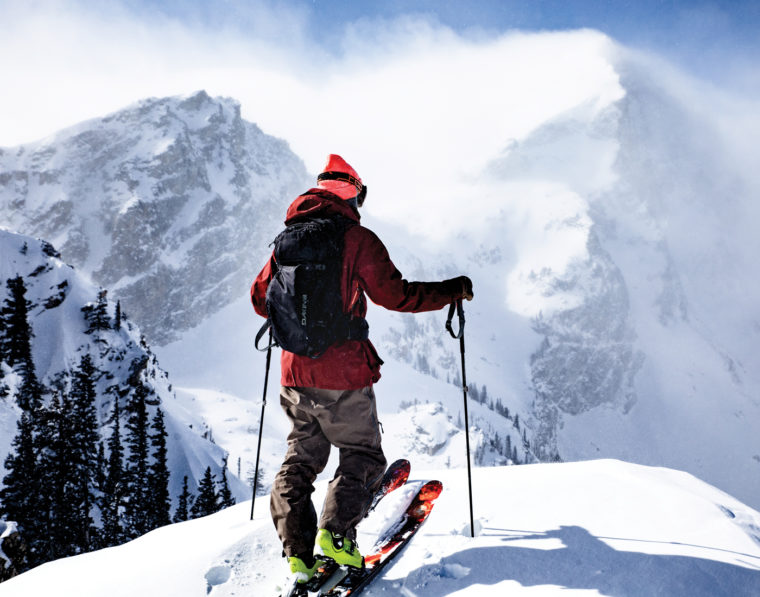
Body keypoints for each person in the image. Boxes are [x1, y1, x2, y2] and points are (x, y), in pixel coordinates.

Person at [250, 154, 473, 585]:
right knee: (363, 455)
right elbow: (397, 295)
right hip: (344, 374)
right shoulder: (356, 238)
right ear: (353, 193)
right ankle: (337, 537)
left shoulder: (284, 242)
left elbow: (260, 299)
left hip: (295, 373)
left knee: (300, 459)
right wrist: (450, 291)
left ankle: (298, 554)